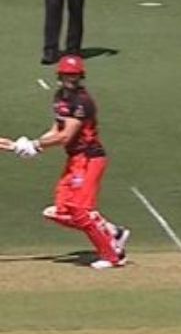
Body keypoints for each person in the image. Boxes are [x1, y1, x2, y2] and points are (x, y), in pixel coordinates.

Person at [10, 55, 129, 269]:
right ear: (60, 75)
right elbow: (56, 130)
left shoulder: (82, 102)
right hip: (75, 159)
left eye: (74, 75)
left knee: (80, 210)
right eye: (67, 75)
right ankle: (113, 232)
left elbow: (66, 136)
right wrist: (32, 145)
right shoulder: (60, 97)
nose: (70, 79)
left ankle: (112, 256)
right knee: (59, 211)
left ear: (80, 76)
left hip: (90, 158)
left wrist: (35, 145)